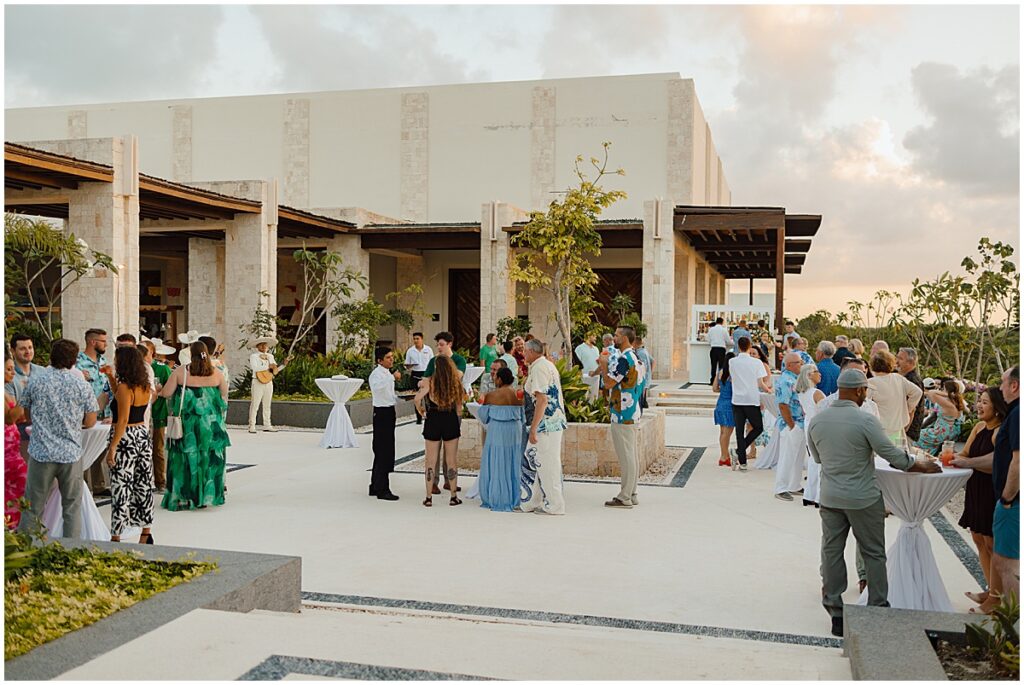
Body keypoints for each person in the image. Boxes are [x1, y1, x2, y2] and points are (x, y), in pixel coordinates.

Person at [808, 368, 940, 637]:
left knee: (831, 551)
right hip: (863, 497)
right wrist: (921, 465)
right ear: (859, 391)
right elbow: (893, 455)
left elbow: (818, 458)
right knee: (873, 553)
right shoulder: (865, 420)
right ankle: (878, 607)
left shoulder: (818, 421)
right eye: (865, 391)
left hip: (831, 496)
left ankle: (835, 611)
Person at [18, 339, 99, 539]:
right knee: (72, 507)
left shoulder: (36, 381)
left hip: (41, 453)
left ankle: (25, 550)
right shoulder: (80, 384)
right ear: (73, 361)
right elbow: (90, 420)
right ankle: (71, 552)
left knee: (33, 506)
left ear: (51, 357)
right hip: (70, 453)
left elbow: (27, 414)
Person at [950, 386, 1007, 608]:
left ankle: (997, 598)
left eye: (985, 402)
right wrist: (946, 457)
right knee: (978, 539)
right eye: (979, 401)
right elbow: (964, 454)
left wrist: (967, 462)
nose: (979, 406)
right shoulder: (979, 427)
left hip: (991, 490)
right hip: (975, 488)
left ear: (997, 407)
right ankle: (991, 589)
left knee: (992, 542)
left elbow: (997, 463)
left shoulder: (1000, 431)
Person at [159, 341, 230, 511]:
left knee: (185, 459)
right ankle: (205, 496)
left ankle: (185, 496)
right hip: (212, 425)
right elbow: (224, 397)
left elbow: (167, 393)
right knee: (208, 459)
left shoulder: (181, 372)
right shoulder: (217, 373)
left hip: (188, 425)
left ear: (191, 354)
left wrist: (158, 391)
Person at [104, 346, 155, 544]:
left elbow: (123, 419)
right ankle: (145, 534)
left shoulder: (126, 387)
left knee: (121, 486)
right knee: (143, 484)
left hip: (126, 437)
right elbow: (123, 399)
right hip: (142, 434)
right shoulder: (143, 385)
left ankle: (116, 535)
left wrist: (112, 448)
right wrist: (110, 378)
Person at [982, 366, 1019, 615]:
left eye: (1003, 382)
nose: (1001, 387)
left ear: (1014, 385)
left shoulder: (1017, 415)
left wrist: (1006, 498)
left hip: (1013, 502)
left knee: (1007, 563)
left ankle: (1014, 623)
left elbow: (1018, 460)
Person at [521, 338, 567, 515]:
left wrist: (533, 428)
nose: (524, 354)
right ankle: (533, 500)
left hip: (546, 424)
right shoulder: (546, 365)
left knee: (547, 463)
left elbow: (542, 400)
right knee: (537, 461)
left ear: (532, 352)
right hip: (551, 422)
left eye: (525, 351)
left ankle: (555, 504)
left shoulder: (540, 368)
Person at [415, 355, 463, 507]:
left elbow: (417, 398)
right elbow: (460, 407)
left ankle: (429, 497)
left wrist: (421, 410)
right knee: (451, 460)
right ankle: (453, 496)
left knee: (430, 461)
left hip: (433, 419)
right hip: (450, 418)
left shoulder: (430, 382)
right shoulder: (455, 383)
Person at [604, 326, 644, 508]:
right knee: (631, 454)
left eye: (617, 335)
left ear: (626, 339)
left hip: (622, 413)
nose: (614, 337)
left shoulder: (625, 359)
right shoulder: (635, 357)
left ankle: (625, 496)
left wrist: (604, 365)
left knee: (626, 455)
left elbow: (609, 383)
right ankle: (632, 492)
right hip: (631, 410)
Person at [477, 367, 524, 512]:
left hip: (498, 430)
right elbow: (523, 416)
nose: (494, 379)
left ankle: (498, 497)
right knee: (513, 461)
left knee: (497, 461)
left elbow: (483, 417)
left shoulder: (491, 395)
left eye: (496, 377)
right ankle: (516, 496)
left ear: (500, 379)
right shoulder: (518, 395)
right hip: (514, 430)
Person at [77, 328, 112, 495]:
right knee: (83, 450)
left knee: (99, 451)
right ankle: (82, 487)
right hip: (85, 414)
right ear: (92, 342)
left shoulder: (103, 362)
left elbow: (109, 388)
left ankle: (99, 485)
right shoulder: (77, 362)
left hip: (103, 413)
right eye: (102, 341)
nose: (105, 344)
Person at [728, 336, 770, 471]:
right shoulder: (757, 363)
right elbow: (761, 383)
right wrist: (769, 391)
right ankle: (741, 455)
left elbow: (733, 378)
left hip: (737, 400)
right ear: (750, 345)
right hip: (752, 399)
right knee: (758, 427)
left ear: (738, 346)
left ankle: (742, 461)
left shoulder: (732, 362)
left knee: (739, 431)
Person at [368, 347, 402, 501]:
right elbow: (377, 389)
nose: (391, 360)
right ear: (379, 360)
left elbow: (388, 393)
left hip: (389, 410)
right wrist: (392, 378)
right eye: (388, 357)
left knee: (386, 448)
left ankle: (375, 485)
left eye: (392, 357)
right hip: (381, 413)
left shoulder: (386, 374)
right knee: (382, 449)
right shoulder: (377, 375)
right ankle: (382, 488)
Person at [773, 353, 807, 501]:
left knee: (798, 456)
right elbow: (783, 404)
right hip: (791, 424)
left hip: (800, 422)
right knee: (787, 456)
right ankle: (781, 488)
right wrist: (791, 425)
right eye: (799, 362)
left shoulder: (795, 378)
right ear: (789, 365)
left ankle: (794, 485)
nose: (801, 364)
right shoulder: (786, 380)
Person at [866, 351, 922, 441]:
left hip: (880, 430)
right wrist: (908, 408)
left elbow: (864, 405)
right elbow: (917, 392)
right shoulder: (898, 378)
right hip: (898, 428)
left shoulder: (871, 383)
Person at [143, 338, 175, 493]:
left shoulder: (162, 369)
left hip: (157, 413)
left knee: (158, 448)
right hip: (139, 417)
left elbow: (171, 390)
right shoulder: (133, 369)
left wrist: (159, 392)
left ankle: (160, 481)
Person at [796, 364, 826, 507]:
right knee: (821, 461)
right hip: (819, 426)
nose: (819, 374)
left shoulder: (802, 393)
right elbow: (824, 411)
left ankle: (809, 494)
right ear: (809, 375)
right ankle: (820, 496)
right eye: (816, 372)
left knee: (813, 460)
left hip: (808, 424)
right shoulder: (816, 393)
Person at [247, 336, 289, 433]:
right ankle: (252, 425)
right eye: (261, 345)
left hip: (268, 381)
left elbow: (274, 370)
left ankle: (267, 424)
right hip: (257, 381)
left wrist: (283, 365)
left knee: (267, 404)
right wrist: (268, 366)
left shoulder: (270, 356)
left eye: (265, 345)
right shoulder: (254, 356)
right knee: (255, 404)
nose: (264, 346)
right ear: (257, 346)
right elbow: (255, 368)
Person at [4, 357, 27, 529]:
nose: (13, 373)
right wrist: (26, 396)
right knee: (17, 489)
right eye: (9, 369)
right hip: (6, 454)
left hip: (12, 450)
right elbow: (9, 417)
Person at [914, 380, 965, 456]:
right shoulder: (955, 401)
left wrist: (947, 394)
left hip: (942, 432)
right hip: (947, 431)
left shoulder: (948, 403)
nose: (941, 390)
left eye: (943, 389)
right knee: (921, 432)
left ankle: (922, 455)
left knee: (917, 435)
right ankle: (926, 454)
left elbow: (932, 393)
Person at [896, 347, 926, 443]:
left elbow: (911, 409)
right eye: (897, 357)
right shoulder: (904, 377)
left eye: (900, 359)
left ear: (911, 363)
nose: (896, 361)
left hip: (906, 431)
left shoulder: (912, 380)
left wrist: (903, 430)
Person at [404, 332, 434, 425]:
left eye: (417, 338)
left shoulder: (428, 349)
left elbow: (432, 363)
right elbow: (406, 365)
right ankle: (419, 417)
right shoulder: (410, 351)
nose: (416, 341)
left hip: (426, 373)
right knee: (417, 397)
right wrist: (409, 366)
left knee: (428, 397)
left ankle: (430, 416)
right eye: (414, 339)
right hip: (415, 373)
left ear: (422, 339)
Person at [713, 352, 736, 467]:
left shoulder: (720, 373)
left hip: (721, 402)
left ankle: (724, 455)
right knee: (727, 433)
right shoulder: (733, 374)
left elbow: (714, 388)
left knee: (722, 432)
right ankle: (723, 457)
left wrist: (723, 391)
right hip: (730, 405)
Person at [633, 337, 653, 411]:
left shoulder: (640, 353)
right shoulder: (644, 351)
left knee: (641, 398)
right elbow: (652, 361)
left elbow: (643, 367)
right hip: (645, 378)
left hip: (642, 379)